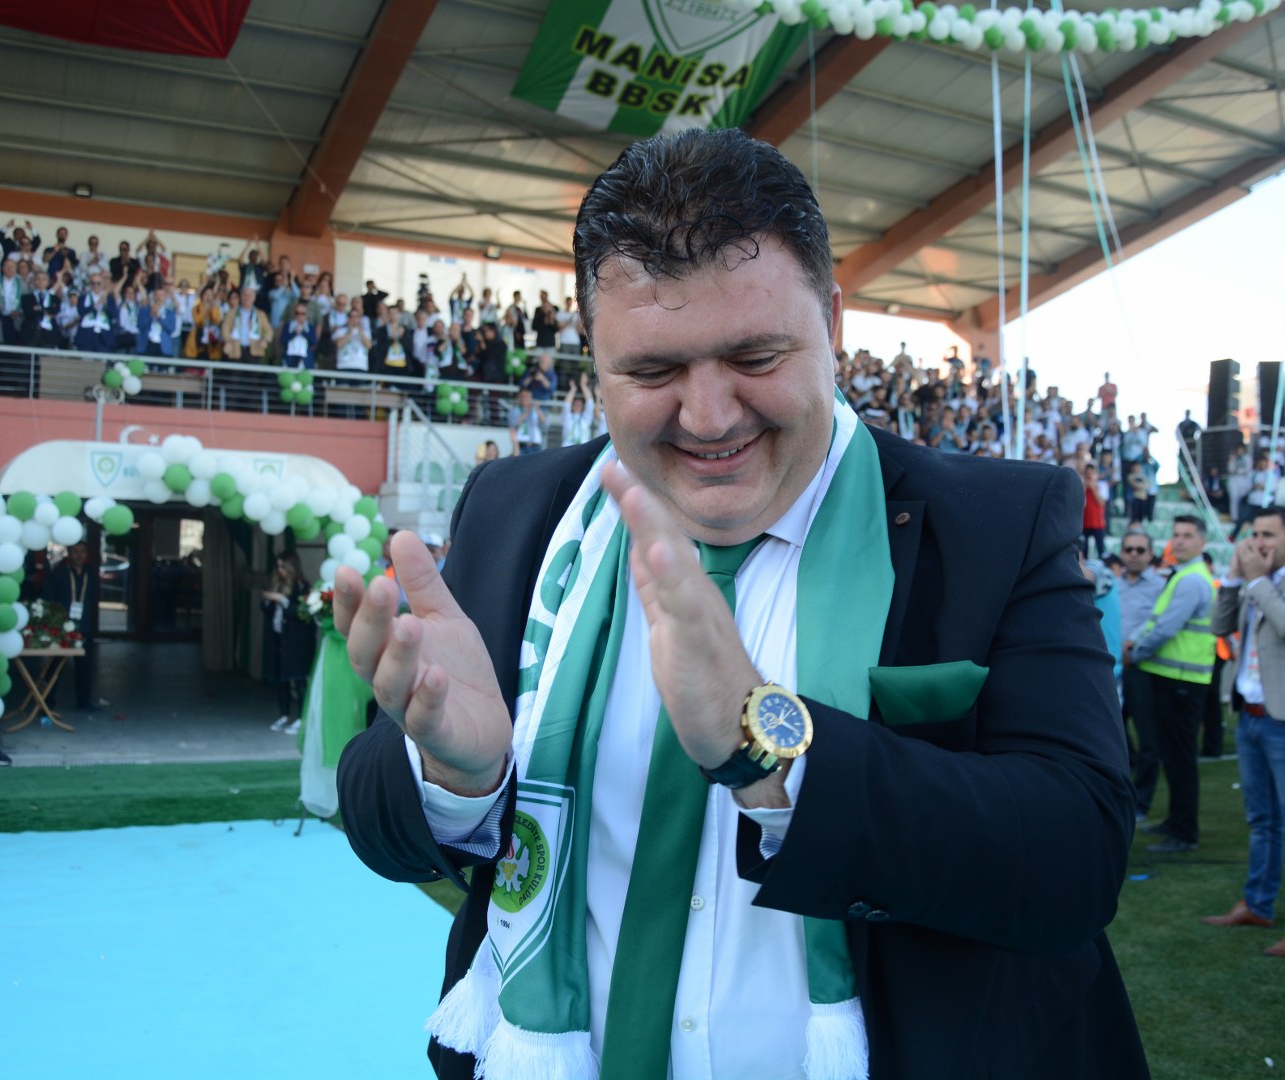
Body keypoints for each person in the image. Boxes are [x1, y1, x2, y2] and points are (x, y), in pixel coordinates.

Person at [335, 128, 1145, 1080]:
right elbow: (379, 824)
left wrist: (769, 748)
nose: (710, 416)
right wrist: (457, 776)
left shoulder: (998, 523)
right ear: (592, 355)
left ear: (832, 321)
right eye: (652, 372)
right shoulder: (517, 509)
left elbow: (1077, 856)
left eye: (755, 355)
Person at [1201, 507, 1285, 957]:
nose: (1258, 543)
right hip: (1253, 713)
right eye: (1255, 534)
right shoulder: (1255, 579)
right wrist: (1234, 579)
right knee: (1262, 820)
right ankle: (1258, 904)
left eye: (1268, 535)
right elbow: (1219, 627)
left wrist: (1258, 581)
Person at [1128, 514, 1214, 853]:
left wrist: (1137, 652)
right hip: (1176, 678)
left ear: (1202, 542)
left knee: (1180, 757)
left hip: (1181, 680)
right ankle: (1176, 822)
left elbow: (1166, 627)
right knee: (1175, 755)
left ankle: (1184, 831)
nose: (1179, 540)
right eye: (1176, 534)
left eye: (1187, 535)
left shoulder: (1191, 580)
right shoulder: (1185, 575)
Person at [1116, 530, 1166, 822]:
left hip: (1143, 669)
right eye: (1129, 549)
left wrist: (1133, 645)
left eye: (1140, 550)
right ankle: (1119, 792)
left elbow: (1158, 625)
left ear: (1150, 554)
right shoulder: (1114, 586)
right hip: (1113, 670)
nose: (1133, 555)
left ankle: (1142, 802)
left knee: (1148, 739)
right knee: (1114, 733)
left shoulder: (1161, 586)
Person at [42, 542, 102, 713]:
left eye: (82, 551)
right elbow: (50, 598)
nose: (79, 555)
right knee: (56, 666)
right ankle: (47, 702)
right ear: (69, 554)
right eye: (75, 551)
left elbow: (94, 599)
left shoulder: (91, 575)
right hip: (61, 627)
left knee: (84, 666)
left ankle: (84, 702)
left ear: (87, 554)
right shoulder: (60, 573)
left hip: (84, 626)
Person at [261, 551, 313, 734]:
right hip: (278, 638)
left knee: (298, 679)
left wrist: (282, 600)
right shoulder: (277, 584)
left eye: (283, 566)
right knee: (281, 679)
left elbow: (303, 613)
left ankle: (301, 718)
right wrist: (268, 601)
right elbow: (266, 609)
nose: (280, 570)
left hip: (296, 641)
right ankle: (284, 714)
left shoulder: (303, 587)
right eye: (278, 567)